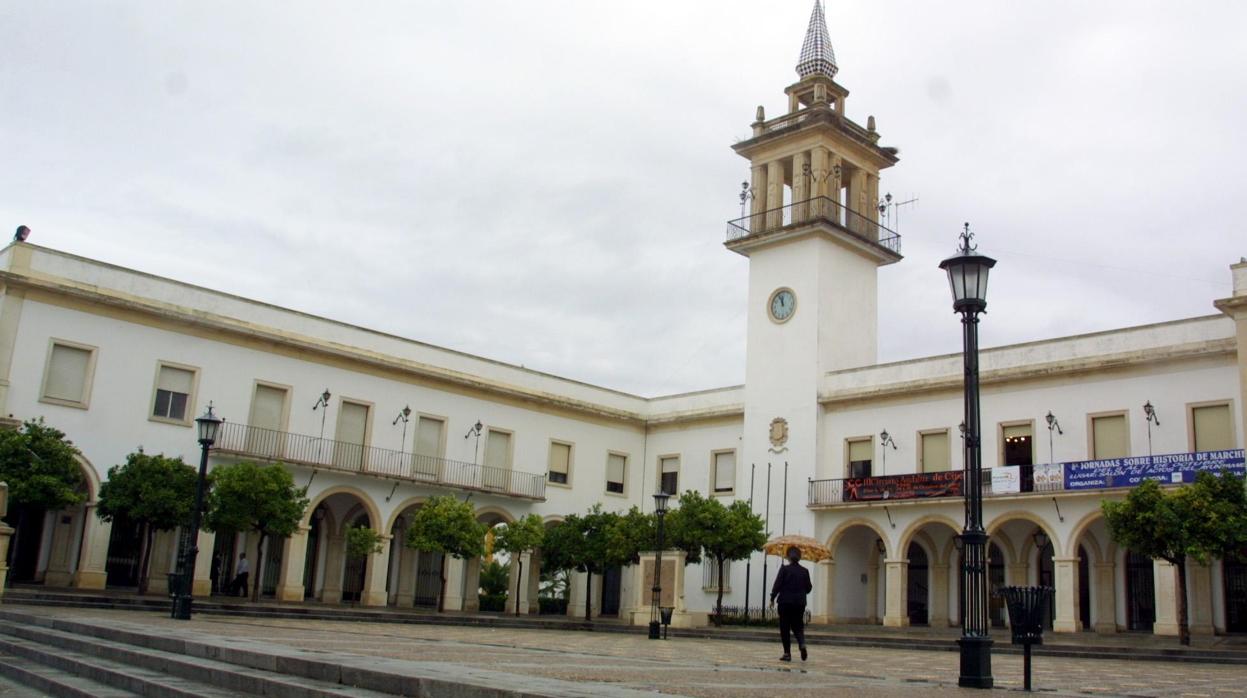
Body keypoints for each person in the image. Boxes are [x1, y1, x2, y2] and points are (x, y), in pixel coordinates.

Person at [769, 545, 812, 662]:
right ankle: (802, 643)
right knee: (798, 625)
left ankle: (787, 653)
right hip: (799, 603)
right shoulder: (805, 571)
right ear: (799, 557)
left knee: (785, 627)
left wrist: (772, 598)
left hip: (785, 602)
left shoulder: (784, 569)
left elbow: (777, 584)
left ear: (788, 557)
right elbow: (808, 588)